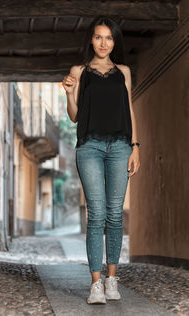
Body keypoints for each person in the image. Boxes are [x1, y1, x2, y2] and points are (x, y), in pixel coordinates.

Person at [62, 15, 140, 305]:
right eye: (98, 37)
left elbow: (129, 109)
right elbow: (75, 116)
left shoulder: (124, 71)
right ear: (91, 40)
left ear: (114, 40)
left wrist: (136, 146)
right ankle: (96, 284)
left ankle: (112, 279)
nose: (104, 42)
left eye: (109, 37)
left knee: (115, 214)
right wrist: (70, 93)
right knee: (96, 214)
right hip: (90, 147)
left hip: (120, 146)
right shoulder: (79, 71)